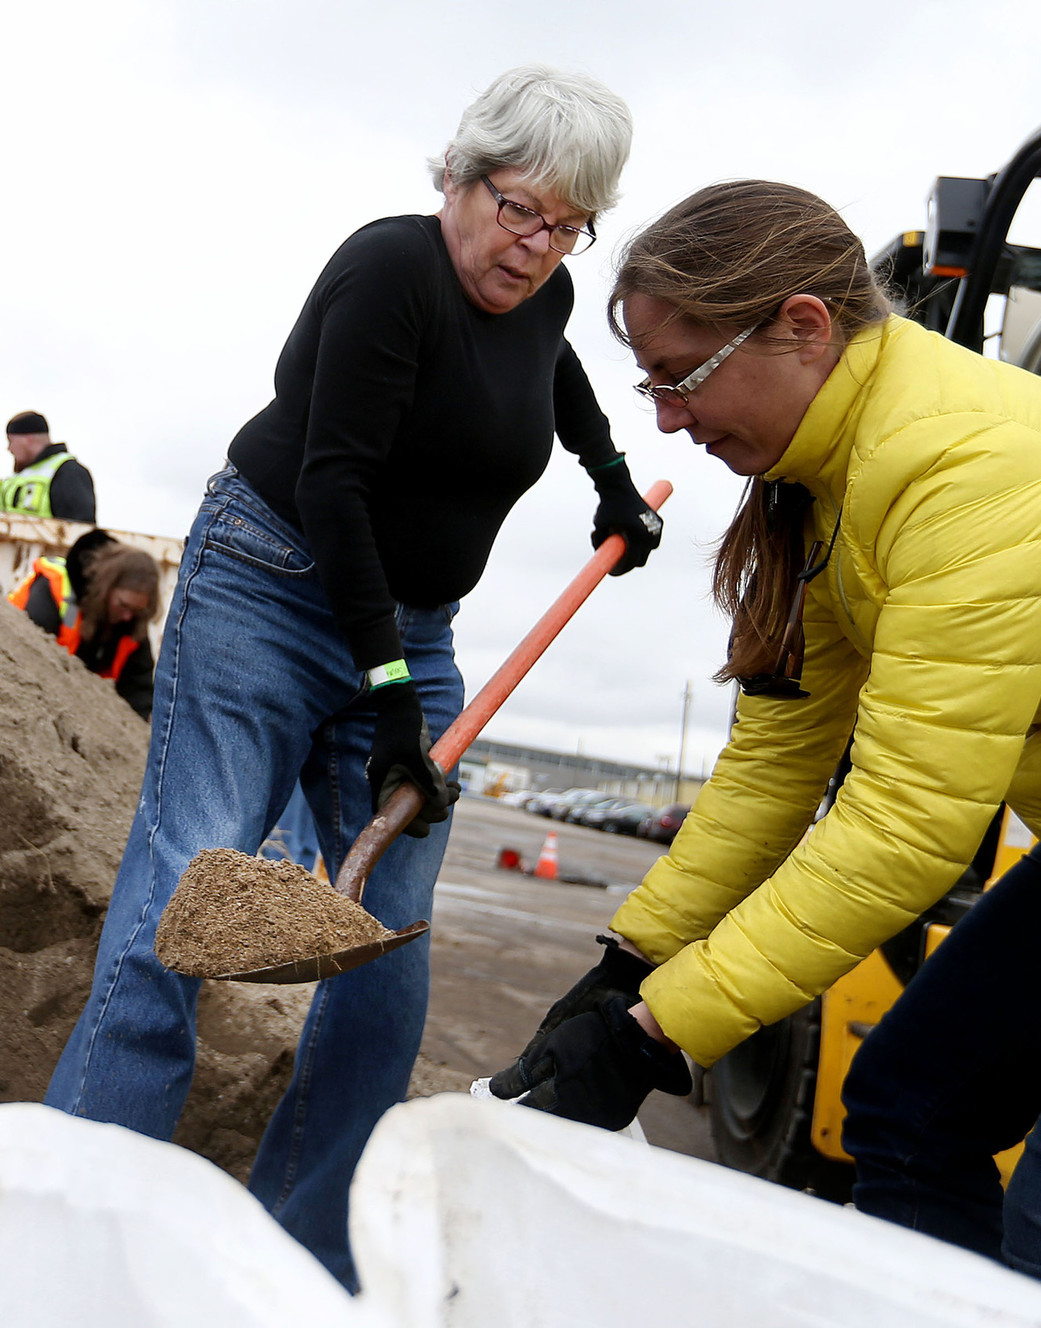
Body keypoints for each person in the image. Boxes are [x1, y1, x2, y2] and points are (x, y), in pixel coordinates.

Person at [44, 65, 661, 1291]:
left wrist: (607, 475)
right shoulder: (391, 270)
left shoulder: (544, 294)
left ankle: (305, 1246)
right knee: (190, 883)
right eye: (517, 208)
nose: (536, 248)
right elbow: (335, 482)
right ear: (459, 173)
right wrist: (387, 696)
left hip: (414, 624)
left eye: (567, 224)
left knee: (389, 942)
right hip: (270, 584)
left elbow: (557, 373)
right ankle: (82, 1213)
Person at [489, 178, 1041, 1280]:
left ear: (803, 325)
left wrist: (658, 1031)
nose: (666, 419)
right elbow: (777, 764)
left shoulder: (968, 465)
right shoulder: (829, 481)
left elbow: (901, 829)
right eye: (649, 386)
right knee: (909, 1103)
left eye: (681, 379)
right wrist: (630, 963)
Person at [8, 527, 158, 719]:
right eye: (123, 605)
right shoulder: (53, 589)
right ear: (104, 589)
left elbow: (138, 698)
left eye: (136, 611)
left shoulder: (131, 624)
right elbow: (25, 664)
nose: (128, 616)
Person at [3, 411, 97, 523]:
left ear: (28, 439)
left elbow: (78, 530)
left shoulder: (68, 472)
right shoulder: (16, 479)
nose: (9, 448)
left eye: (11, 441)